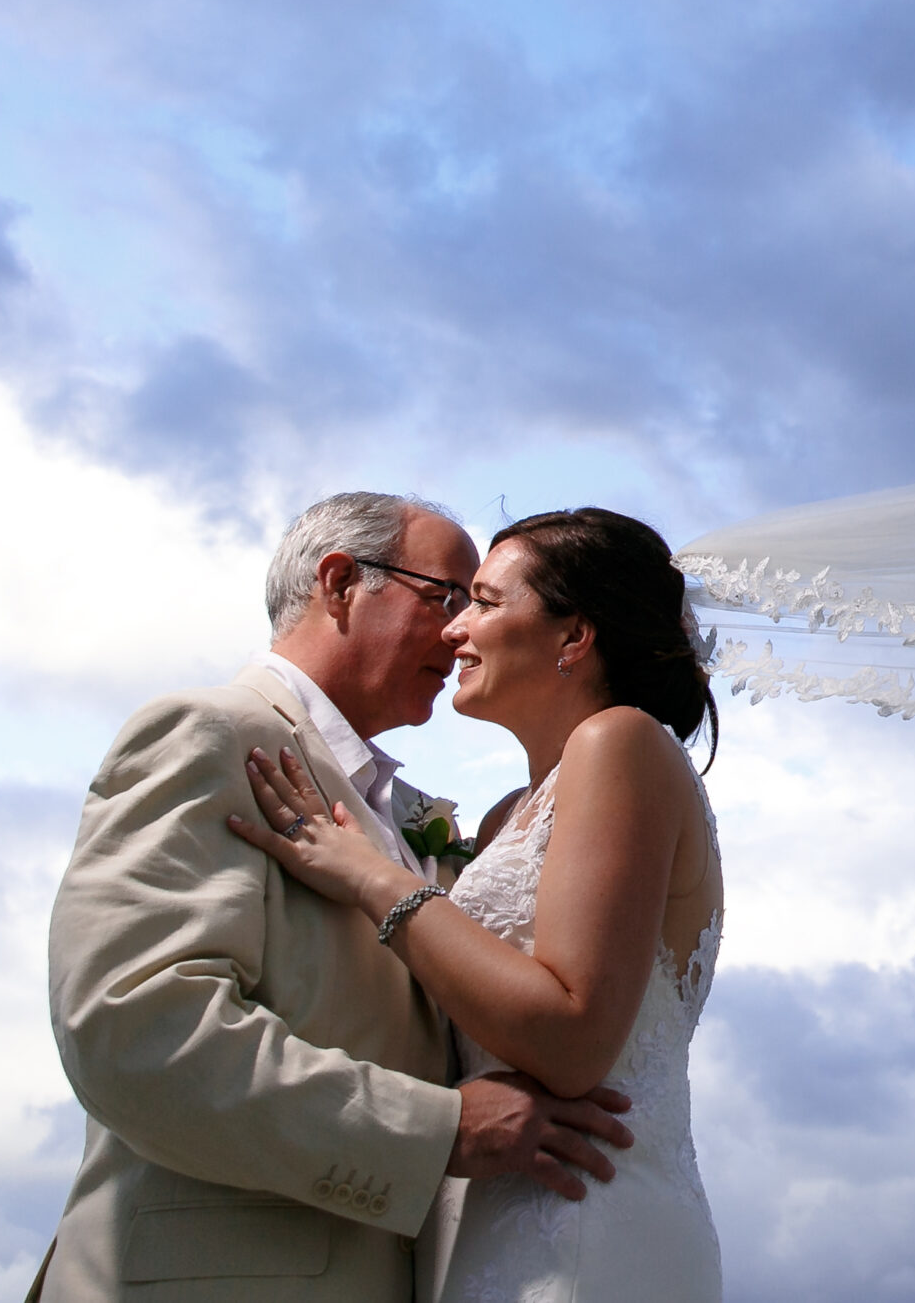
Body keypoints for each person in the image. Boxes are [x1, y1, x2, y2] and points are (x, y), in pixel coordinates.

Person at [34, 492, 636, 1303]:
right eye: (446, 596)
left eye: (476, 604)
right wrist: (438, 1128)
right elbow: (139, 1027)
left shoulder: (421, 816)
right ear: (342, 581)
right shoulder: (210, 733)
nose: (459, 629)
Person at [230, 507, 725, 1302]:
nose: (454, 628)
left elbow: (572, 1040)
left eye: (486, 603)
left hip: (580, 1224)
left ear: (574, 637)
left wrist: (373, 877)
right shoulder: (504, 818)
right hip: (485, 1223)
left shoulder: (620, 742)